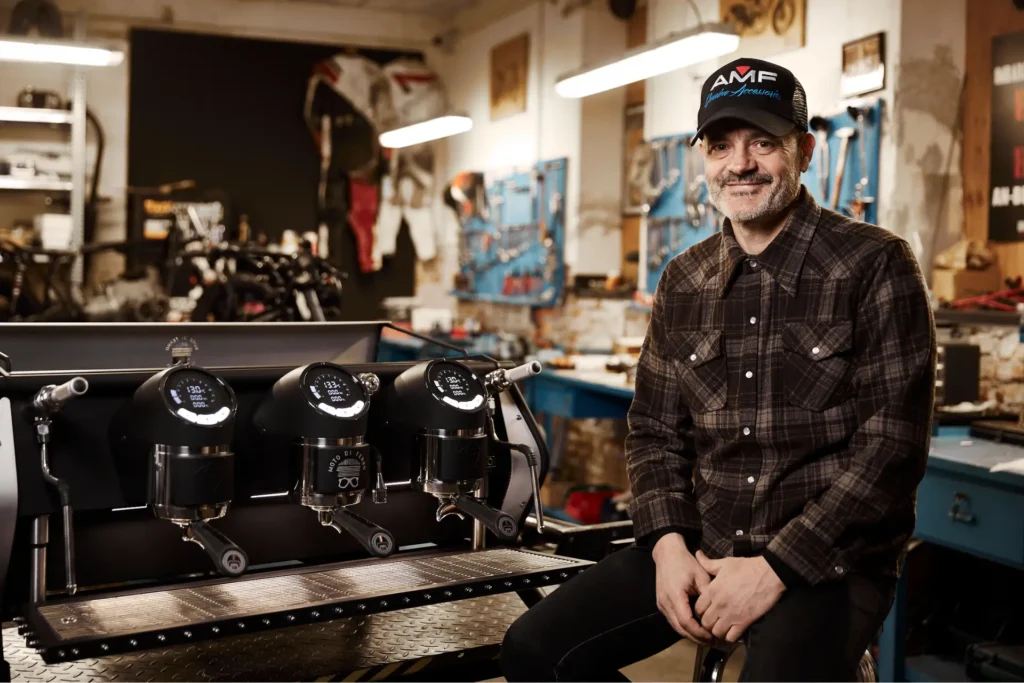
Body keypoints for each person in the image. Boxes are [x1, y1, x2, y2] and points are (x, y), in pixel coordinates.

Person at [500, 57, 936, 682]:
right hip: (701, 544)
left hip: (829, 561)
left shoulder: (874, 264)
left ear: (805, 151)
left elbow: (890, 450)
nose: (741, 164)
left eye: (764, 142)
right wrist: (667, 546)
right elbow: (653, 431)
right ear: (701, 157)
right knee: (533, 649)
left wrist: (775, 568)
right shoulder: (683, 278)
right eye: (722, 145)